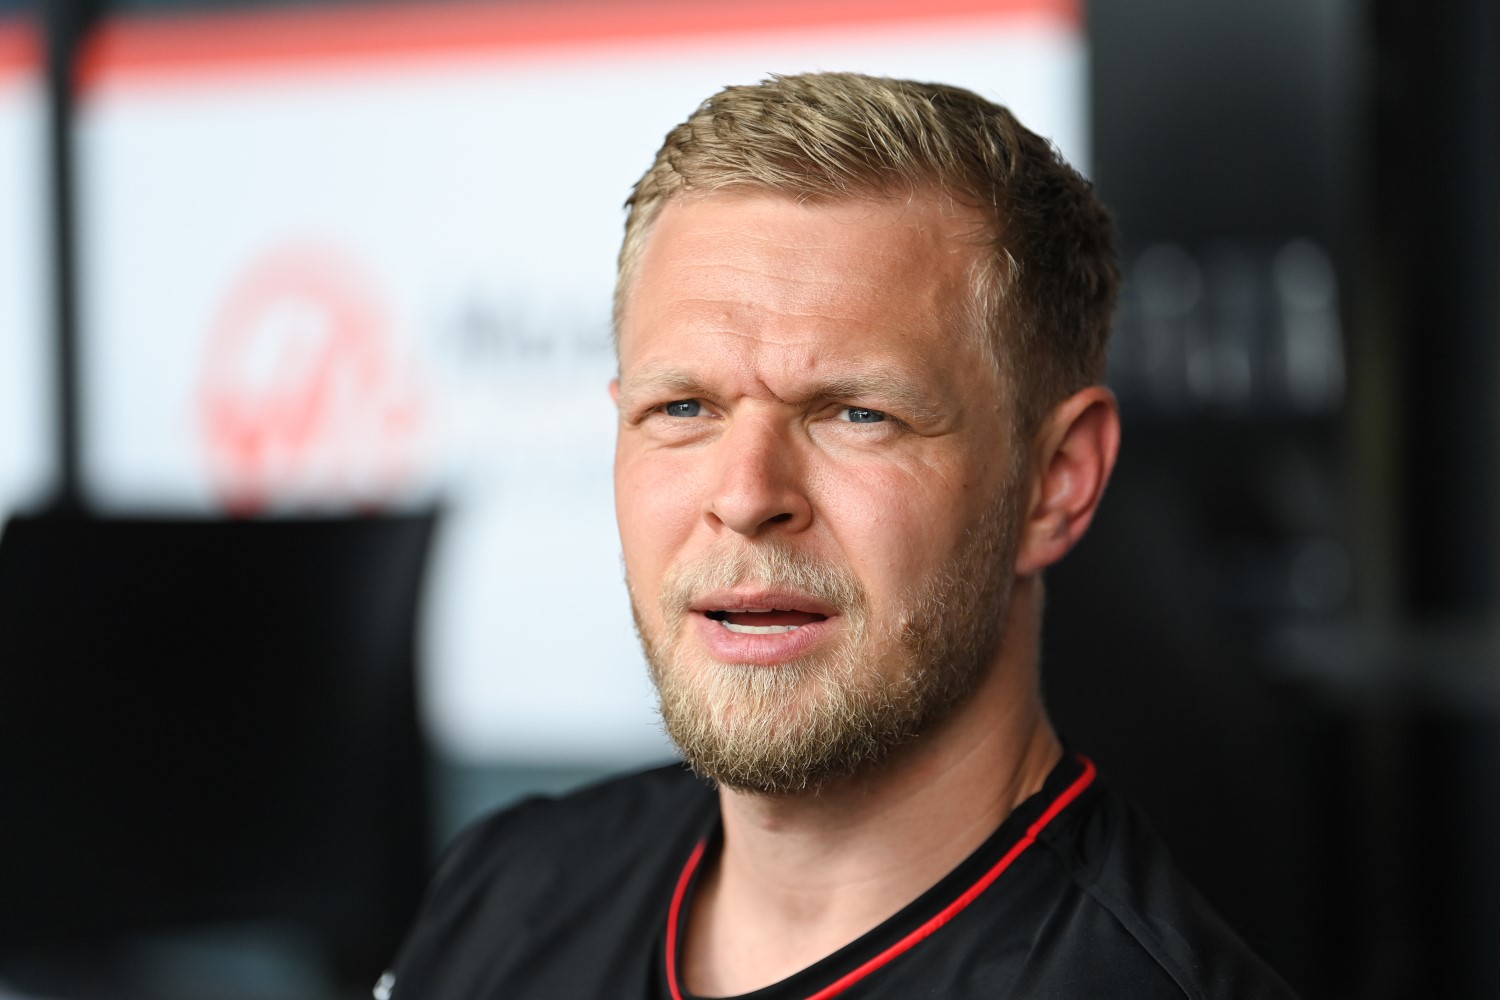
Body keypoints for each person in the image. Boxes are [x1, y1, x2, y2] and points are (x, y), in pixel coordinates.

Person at [379, 72, 1300, 999]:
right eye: (684, 406)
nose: (745, 496)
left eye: (857, 414)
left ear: (1055, 483)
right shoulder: (507, 889)